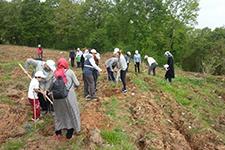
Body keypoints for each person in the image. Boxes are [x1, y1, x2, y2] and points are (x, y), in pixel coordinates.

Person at [51, 58, 80, 140]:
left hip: (57, 97)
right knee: (71, 112)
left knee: (59, 113)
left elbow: (50, 86)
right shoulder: (70, 72)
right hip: (68, 96)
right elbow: (77, 83)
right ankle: (70, 132)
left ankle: (58, 131)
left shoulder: (55, 73)